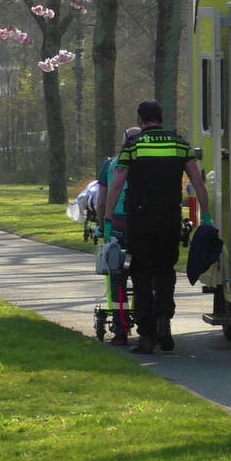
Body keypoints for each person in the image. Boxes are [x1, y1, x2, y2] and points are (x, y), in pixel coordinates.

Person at [105, 100, 211, 355]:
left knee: (141, 274)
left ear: (140, 120)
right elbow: (197, 182)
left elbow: (117, 184)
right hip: (169, 218)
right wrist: (206, 215)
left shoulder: (133, 145)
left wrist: (108, 218)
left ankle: (146, 334)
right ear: (161, 119)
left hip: (140, 219)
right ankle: (164, 318)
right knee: (165, 271)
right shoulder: (179, 144)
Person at [95, 126, 140, 345]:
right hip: (144, 221)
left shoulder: (110, 164)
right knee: (145, 275)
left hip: (117, 222)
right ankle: (149, 324)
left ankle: (121, 328)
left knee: (117, 275)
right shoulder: (149, 163)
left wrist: (102, 225)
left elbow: (101, 200)